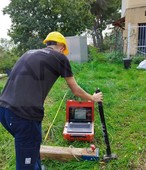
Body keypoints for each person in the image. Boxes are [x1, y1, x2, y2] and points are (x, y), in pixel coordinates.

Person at [0, 31, 102, 170]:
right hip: (24, 116)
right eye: (63, 49)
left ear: (47, 43)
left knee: (32, 144)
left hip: (4, 110)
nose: (63, 52)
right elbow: (75, 90)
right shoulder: (60, 57)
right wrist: (93, 98)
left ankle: (36, 166)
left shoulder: (28, 53)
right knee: (26, 159)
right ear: (61, 46)